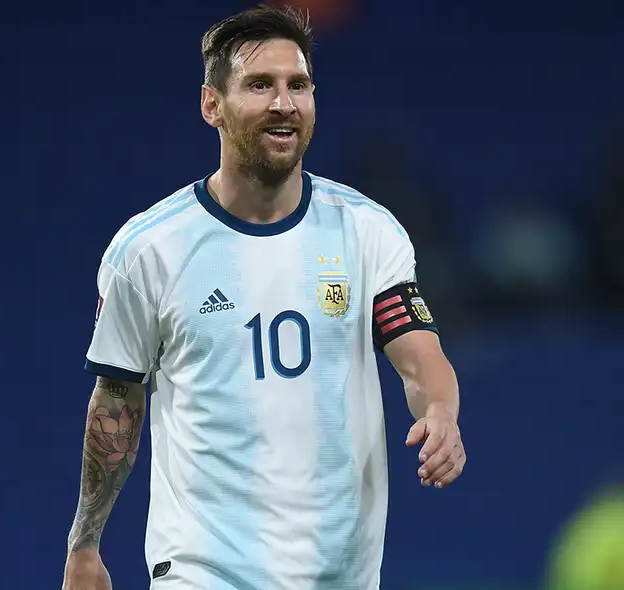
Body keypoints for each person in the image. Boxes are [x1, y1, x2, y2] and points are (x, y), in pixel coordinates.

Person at [61, 5, 465, 589]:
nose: (284, 103)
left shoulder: (367, 232)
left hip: (338, 573)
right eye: (260, 85)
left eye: (297, 85)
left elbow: (419, 354)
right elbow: (116, 403)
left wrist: (441, 413)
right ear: (211, 106)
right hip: (203, 571)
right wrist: (85, 542)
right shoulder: (148, 251)